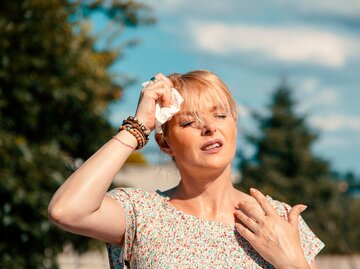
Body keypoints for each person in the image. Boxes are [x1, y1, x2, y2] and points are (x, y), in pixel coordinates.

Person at [48, 70, 324, 268]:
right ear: (165, 144)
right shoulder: (142, 213)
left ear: (235, 125)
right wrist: (138, 127)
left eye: (219, 115)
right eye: (190, 122)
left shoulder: (277, 218)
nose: (209, 127)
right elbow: (66, 210)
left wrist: (293, 263)